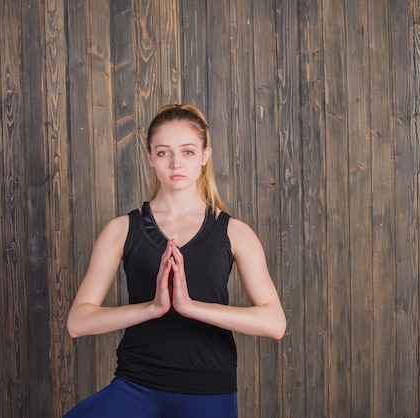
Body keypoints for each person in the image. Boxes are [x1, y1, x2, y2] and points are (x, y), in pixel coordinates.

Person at [64, 103, 286, 418]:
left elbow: (274, 323)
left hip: (208, 390)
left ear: (205, 156)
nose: (176, 163)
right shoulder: (121, 230)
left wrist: (190, 307)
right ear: (150, 156)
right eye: (164, 152)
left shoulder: (235, 232)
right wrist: (153, 308)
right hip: (137, 382)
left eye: (188, 152)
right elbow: (78, 322)